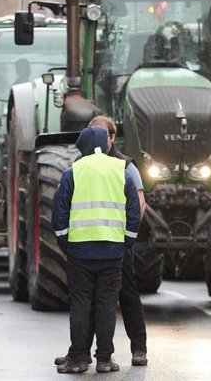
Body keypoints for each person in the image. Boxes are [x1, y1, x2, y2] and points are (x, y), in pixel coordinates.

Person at [54, 115, 148, 367]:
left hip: (92, 248)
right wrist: (126, 240)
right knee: (105, 304)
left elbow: (59, 213)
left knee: (109, 299)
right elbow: (134, 208)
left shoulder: (122, 166)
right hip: (113, 248)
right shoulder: (111, 169)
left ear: (111, 137)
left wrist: (66, 244)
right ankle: (97, 355)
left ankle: (134, 348)